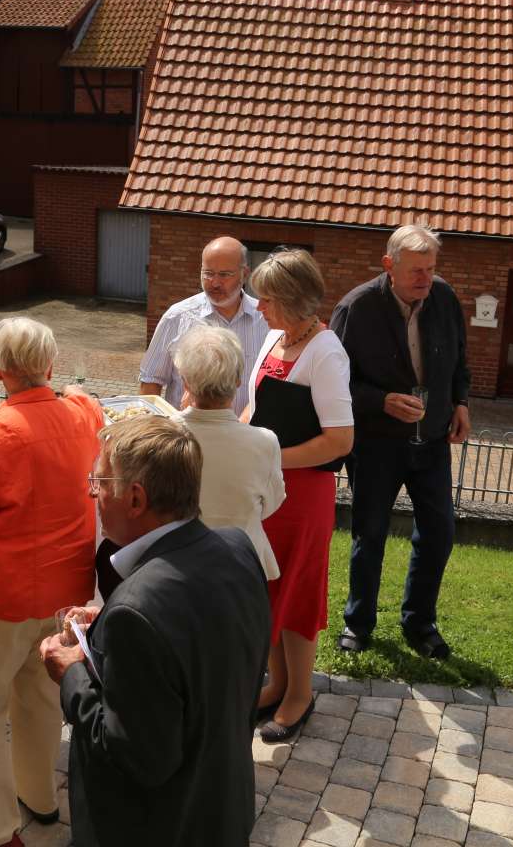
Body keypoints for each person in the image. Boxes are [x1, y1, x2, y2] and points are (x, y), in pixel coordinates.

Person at [39, 416, 271, 847]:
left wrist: (71, 673)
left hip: (158, 826)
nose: (93, 492)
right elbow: (193, 655)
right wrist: (104, 632)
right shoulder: (237, 550)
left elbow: (134, 756)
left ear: (136, 498)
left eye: (101, 481)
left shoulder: (136, 610)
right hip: (222, 808)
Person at [0, 317, 100, 847]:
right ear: (49, 365)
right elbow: (87, 406)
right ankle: (41, 796)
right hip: (63, 590)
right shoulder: (81, 416)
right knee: (40, 698)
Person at [331, 224, 472, 659]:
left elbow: (459, 357)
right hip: (376, 444)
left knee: (439, 532)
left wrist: (460, 402)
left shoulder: (444, 299)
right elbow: (333, 380)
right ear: (389, 265)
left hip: (430, 441)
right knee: (369, 534)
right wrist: (379, 401)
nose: (425, 280)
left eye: (431, 269)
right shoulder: (357, 307)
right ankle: (359, 623)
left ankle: (419, 623)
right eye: (416, 271)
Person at [244, 248, 353, 742]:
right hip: (265, 490)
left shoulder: (326, 352)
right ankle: (278, 681)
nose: (259, 308)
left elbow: (340, 440)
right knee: (267, 586)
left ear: (291, 300)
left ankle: (299, 693)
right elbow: (254, 409)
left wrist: (268, 455)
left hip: (303, 496)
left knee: (297, 592)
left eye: (266, 299)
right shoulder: (273, 338)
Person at [171, 325, 285, 578]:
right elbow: (270, 505)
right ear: (237, 380)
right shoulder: (264, 442)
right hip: (240, 567)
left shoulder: (161, 433)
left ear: (185, 381)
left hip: (176, 566)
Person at [139, 235, 269, 415]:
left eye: (224, 275)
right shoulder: (177, 317)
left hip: (245, 439)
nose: (215, 283)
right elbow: (150, 381)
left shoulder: (266, 320)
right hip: (186, 438)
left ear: (245, 274)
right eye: (208, 273)